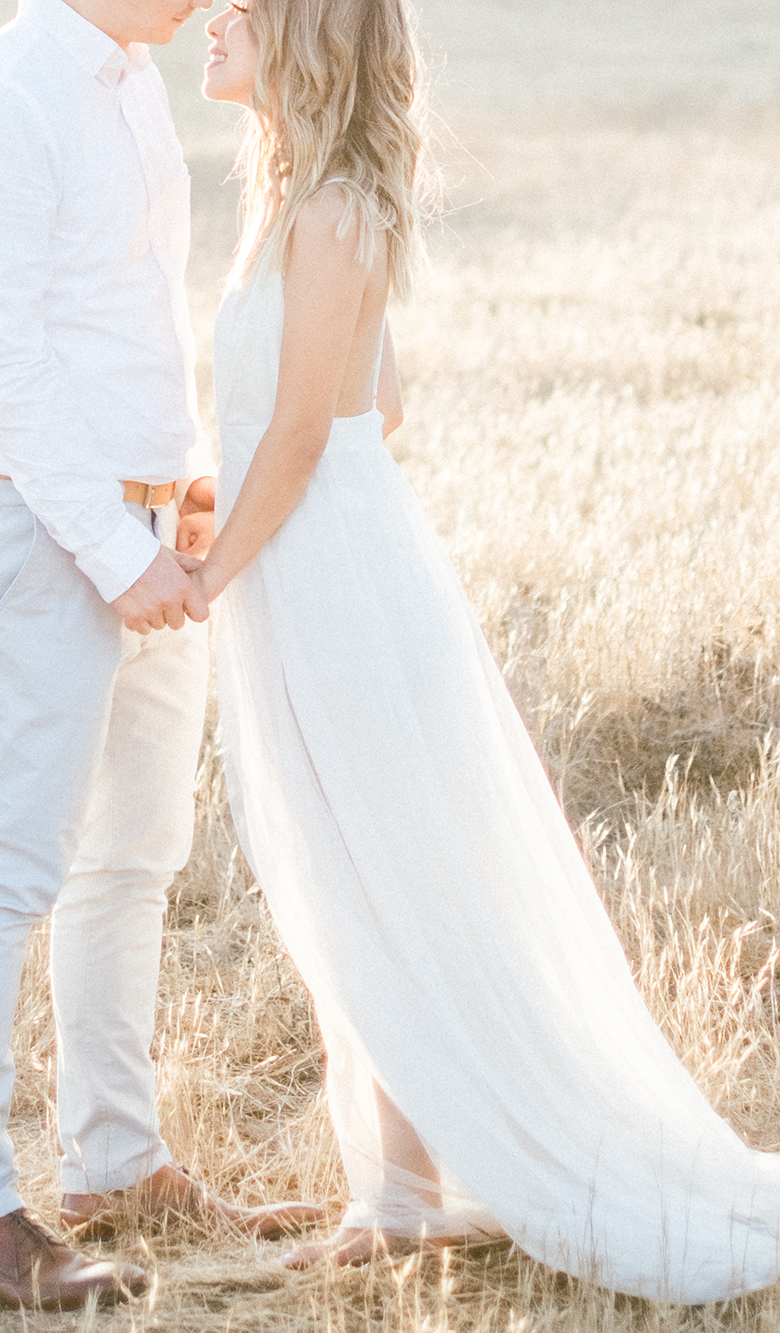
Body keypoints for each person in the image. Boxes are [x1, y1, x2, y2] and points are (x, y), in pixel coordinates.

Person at [193, 0, 780, 1303]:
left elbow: (305, 435)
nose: (212, 19)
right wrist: (220, 507)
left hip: (336, 583)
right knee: (357, 876)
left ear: (300, 38)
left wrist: (207, 569)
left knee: (378, 870)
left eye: (243, 6)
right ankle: (394, 1194)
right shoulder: (297, 201)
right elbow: (373, 401)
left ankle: (412, 1195)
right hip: (316, 559)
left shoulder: (336, 209)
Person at [0, 0, 320, 1312]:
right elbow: (7, 366)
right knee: (2, 867)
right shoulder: (2, 101)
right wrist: (113, 545)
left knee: (131, 862)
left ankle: (117, 1163)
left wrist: (185, 488)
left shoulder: (132, 81)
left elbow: (128, 320)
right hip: (39, 533)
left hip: (148, 522)